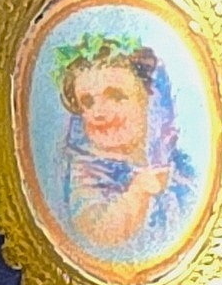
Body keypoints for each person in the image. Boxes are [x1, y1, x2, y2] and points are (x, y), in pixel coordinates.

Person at [55, 33, 196, 263]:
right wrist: (138, 192)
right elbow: (96, 235)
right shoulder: (86, 172)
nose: (99, 112)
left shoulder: (174, 163)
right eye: (87, 102)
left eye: (116, 96)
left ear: (147, 100)